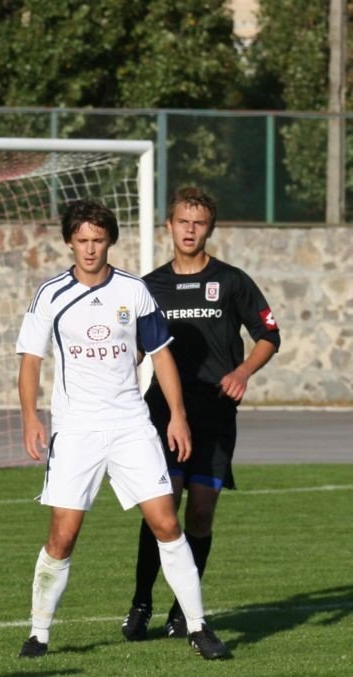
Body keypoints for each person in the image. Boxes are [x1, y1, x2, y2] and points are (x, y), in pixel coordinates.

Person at [15, 200, 229, 661]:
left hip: (132, 424)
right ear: (70, 241)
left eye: (98, 240)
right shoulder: (49, 295)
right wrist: (30, 416)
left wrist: (177, 414)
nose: (90, 249)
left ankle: (197, 626)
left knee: (167, 522)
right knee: (63, 535)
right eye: (83, 240)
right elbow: (30, 362)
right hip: (76, 430)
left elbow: (161, 355)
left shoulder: (134, 291)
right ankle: (38, 633)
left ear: (110, 241)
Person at [121, 187, 281, 641]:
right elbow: (131, 348)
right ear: (168, 226)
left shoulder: (232, 281)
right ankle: (140, 602)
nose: (190, 230)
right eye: (182, 222)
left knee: (201, 514)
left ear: (209, 227)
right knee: (162, 508)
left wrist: (243, 371)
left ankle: (180, 610)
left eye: (199, 223)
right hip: (163, 411)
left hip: (214, 412)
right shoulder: (148, 286)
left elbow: (268, 334)